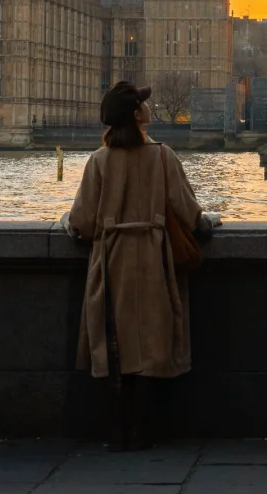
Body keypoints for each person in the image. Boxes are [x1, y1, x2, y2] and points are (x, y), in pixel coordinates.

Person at [66, 80, 204, 451]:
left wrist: (70, 221)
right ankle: (143, 430)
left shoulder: (98, 161)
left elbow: (82, 222)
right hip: (153, 257)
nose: (148, 107)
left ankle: (116, 430)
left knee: (113, 342)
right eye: (143, 103)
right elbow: (188, 213)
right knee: (152, 343)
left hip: (111, 259)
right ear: (136, 115)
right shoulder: (163, 157)